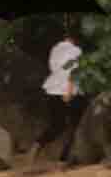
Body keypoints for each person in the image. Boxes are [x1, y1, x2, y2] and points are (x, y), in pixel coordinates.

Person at [30, 29, 87, 165]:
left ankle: (37, 145)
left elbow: (58, 69)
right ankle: (64, 157)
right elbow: (71, 72)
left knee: (57, 125)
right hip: (67, 90)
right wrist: (68, 90)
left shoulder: (55, 50)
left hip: (52, 89)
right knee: (76, 125)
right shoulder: (75, 51)